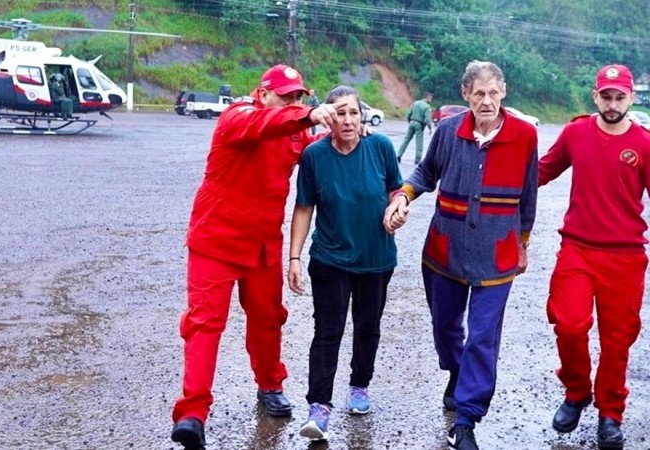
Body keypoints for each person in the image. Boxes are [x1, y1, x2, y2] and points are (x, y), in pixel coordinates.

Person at [170, 64, 349, 450]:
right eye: (285, 95)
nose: (293, 101)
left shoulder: (296, 133)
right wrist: (305, 114)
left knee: (269, 320)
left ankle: (270, 384)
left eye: (299, 96)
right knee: (204, 324)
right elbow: (265, 125)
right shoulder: (238, 117)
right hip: (215, 241)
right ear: (262, 93)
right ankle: (192, 413)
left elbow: (319, 151)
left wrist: (348, 134)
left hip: (263, 244)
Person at [383, 60, 538, 450]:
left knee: (483, 336)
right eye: (478, 93)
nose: (486, 101)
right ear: (466, 94)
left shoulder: (524, 136)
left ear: (503, 91)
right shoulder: (450, 131)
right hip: (445, 251)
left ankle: (467, 419)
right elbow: (424, 173)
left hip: (497, 256)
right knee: (446, 327)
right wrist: (402, 196)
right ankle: (455, 371)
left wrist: (523, 243)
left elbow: (529, 195)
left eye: (493, 92)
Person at [539, 64, 650, 450]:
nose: (613, 104)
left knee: (617, 340)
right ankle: (576, 391)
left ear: (631, 97)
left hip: (626, 256)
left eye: (620, 97)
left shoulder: (645, 143)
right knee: (569, 324)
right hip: (578, 249)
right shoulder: (575, 132)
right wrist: (492, 173)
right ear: (595, 96)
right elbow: (540, 172)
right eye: (607, 96)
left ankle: (610, 413)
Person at [287, 85, 403, 442]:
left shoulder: (380, 147)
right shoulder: (314, 156)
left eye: (353, 112)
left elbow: (396, 191)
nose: (348, 120)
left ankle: (359, 385)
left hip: (376, 258)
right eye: (339, 113)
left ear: (362, 115)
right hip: (330, 259)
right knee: (327, 332)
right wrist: (293, 256)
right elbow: (304, 208)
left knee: (368, 326)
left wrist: (398, 208)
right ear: (327, 118)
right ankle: (319, 407)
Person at [396, 92, 433, 164]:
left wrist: (410, 121)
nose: (431, 100)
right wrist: (430, 127)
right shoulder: (427, 107)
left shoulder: (415, 103)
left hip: (412, 122)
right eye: (430, 98)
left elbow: (409, 114)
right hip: (419, 124)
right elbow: (428, 119)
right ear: (427, 97)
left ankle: (399, 155)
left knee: (406, 140)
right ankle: (417, 159)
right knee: (419, 142)